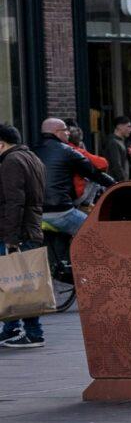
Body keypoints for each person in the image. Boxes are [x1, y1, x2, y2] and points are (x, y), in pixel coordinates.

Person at [0, 124, 48, 350]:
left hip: (19, 232)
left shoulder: (11, 162)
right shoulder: (32, 158)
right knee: (15, 282)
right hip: (30, 228)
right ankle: (11, 330)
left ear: (1, 143)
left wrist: (11, 239)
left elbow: (14, 202)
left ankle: (32, 332)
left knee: (22, 284)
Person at [100, 117, 131, 184]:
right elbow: (116, 164)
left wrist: (130, 155)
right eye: (128, 126)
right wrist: (123, 180)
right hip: (115, 182)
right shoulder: (113, 142)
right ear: (119, 126)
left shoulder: (120, 141)